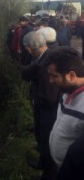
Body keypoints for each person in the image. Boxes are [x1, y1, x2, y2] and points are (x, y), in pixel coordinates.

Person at [21, 32, 60, 180]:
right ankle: (43, 164)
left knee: (47, 141)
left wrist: (35, 100)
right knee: (42, 138)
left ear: (29, 49)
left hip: (48, 111)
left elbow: (49, 97)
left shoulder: (46, 63)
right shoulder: (46, 55)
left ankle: (48, 175)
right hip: (44, 108)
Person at [45, 47, 84, 173]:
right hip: (60, 165)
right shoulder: (66, 91)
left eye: (54, 76)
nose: (50, 81)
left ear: (71, 76)